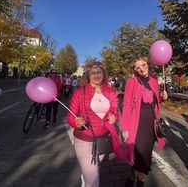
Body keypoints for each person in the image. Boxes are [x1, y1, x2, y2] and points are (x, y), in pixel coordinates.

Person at [66, 61, 124, 187]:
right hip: (84, 139)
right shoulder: (80, 93)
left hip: (103, 139)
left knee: (93, 168)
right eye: (93, 73)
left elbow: (115, 111)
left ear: (103, 74)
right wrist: (76, 122)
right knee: (93, 180)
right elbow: (71, 116)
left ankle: (85, 175)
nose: (96, 75)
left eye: (99, 72)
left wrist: (115, 117)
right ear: (88, 75)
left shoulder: (110, 91)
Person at [120, 56, 168, 187]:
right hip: (137, 124)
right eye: (137, 67)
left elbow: (155, 100)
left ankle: (140, 182)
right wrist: (125, 128)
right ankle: (131, 178)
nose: (141, 68)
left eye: (143, 65)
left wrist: (162, 98)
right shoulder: (131, 81)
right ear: (134, 70)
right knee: (139, 154)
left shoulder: (154, 80)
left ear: (148, 65)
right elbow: (127, 105)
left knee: (146, 156)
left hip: (151, 125)